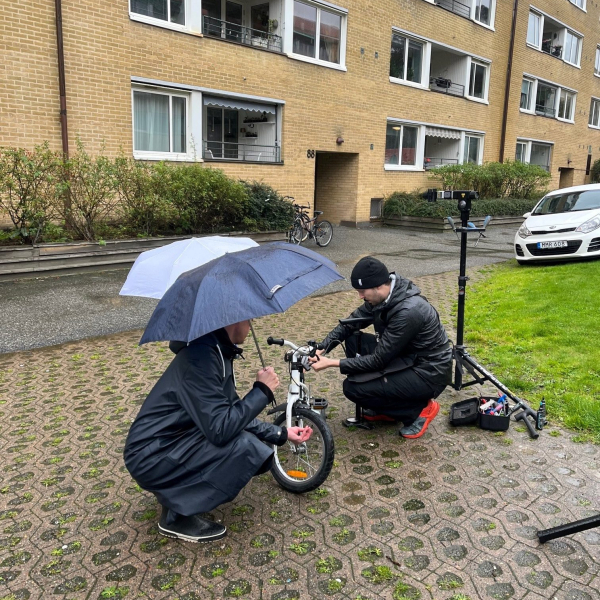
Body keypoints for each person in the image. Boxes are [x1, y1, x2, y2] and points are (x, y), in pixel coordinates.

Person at [124, 320, 312, 543]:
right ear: (234, 320)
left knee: (247, 442)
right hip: (150, 456)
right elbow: (222, 429)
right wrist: (262, 391)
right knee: (244, 446)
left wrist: (281, 434)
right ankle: (176, 517)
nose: (251, 326)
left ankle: (175, 496)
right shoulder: (200, 360)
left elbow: (229, 413)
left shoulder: (215, 351)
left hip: (168, 443)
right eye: (249, 319)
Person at [309, 257, 452, 438]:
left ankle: (419, 410)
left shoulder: (408, 311)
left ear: (378, 286)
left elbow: (378, 360)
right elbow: (350, 323)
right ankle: (384, 406)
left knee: (352, 388)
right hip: (406, 356)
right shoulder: (381, 298)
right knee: (353, 339)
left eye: (362, 291)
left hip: (429, 372)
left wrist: (331, 363)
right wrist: (323, 347)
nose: (360, 296)